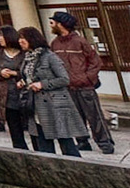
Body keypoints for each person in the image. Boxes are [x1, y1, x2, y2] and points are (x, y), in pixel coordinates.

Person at [49, 10, 116, 153]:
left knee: (95, 116)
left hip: (85, 87)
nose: (51, 25)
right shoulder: (54, 43)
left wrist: (86, 78)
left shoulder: (80, 41)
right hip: (66, 87)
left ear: (60, 24)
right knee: (74, 116)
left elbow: (95, 62)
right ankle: (82, 141)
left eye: (53, 22)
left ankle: (105, 143)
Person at [19, 25, 84, 156]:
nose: (20, 41)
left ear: (32, 39)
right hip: (35, 105)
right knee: (42, 142)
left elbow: (64, 79)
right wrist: (24, 82)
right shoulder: (27, 58)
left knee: (65, 141)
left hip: (54, 104)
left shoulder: (49, 56)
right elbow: (29, 77)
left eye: (23, 38)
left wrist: (43, 84)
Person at [0, 26, 26, 146]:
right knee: (14, 126)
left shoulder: (23, 52)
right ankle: (20, 149)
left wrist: (16, 73)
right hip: (5, 93)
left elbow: (30, 70)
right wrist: (0, 72)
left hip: (24, 92)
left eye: (1, 35)